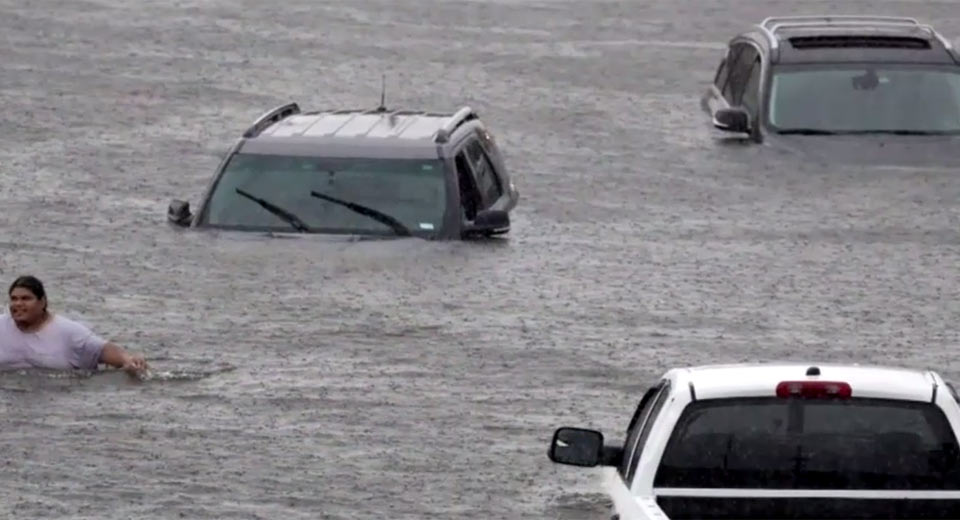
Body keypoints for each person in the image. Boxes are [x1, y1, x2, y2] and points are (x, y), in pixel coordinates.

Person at [0, 275, 148, 377]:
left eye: (26, 299)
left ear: (42, 302)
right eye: (14, 299)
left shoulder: (68, 332)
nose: (18, 304)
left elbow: (102, 349)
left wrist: (128, 360)